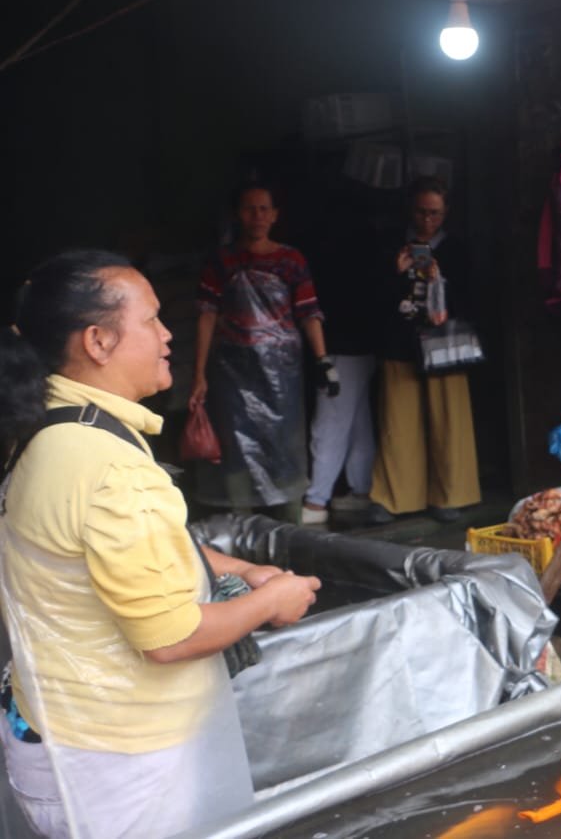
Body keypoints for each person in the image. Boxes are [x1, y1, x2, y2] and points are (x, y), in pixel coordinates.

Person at [0, 251, 320, 839]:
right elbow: (169, 636)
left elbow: (106, 550)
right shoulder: (107, 466)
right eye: (150, 320)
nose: (168, 334)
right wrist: (274, 601)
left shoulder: (51, 426)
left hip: (62, 732)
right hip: (114, 759)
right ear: (98, 341)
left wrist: (240, 567)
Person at [190, 184, 338, 517]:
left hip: (281, 375)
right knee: (236, 447)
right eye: (249, 209)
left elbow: (309, 313)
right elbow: (207, 314)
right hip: (232, 372)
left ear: (274, 215)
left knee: (283, 445)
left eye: (263, 209)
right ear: (237, 215)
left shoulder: (291, 260)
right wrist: (199, 374)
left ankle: (287, 522)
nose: (256, 216)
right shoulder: (222, 260)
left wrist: (323, 360)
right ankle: (241, 522)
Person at [370, 177, 480, 524]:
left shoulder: (456, 249)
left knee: (450, 421)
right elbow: (370, 299)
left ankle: (450, 496)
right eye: (421, 211)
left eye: (434, 213)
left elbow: (471, 299)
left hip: (444, 348)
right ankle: (394, 499)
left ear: (446, 212)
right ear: (411, 210)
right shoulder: (391, 245)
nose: (427, 220)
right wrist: (395, 272)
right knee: (397, 425)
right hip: (399, 345)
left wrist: (439, 282)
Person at [301, 200, 386, 525]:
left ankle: (316, 501)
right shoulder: (370, 253)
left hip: (340, 347)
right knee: (357, 423)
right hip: (364, 347)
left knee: (330, 425)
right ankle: (361, 490)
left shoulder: (329, 256)